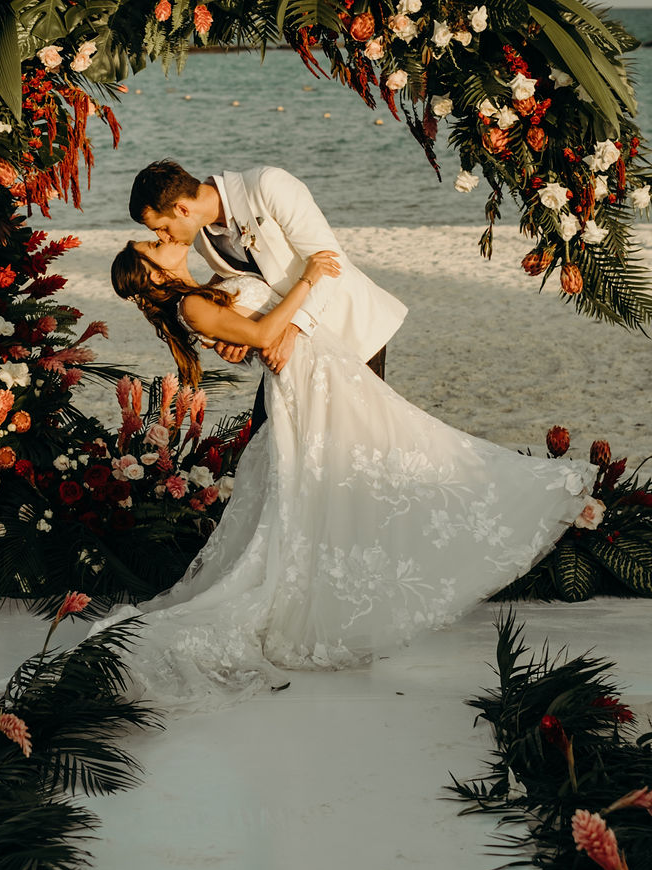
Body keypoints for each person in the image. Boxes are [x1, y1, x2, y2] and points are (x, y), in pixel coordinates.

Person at [98, 233, 594, 713]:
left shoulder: (203, 289)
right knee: (389, 455)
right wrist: (310, 278)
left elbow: (249, 326)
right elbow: (265, 334)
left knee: (394, 452)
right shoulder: (191, 306)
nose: (164, 236)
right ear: (155, 274)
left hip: (323, 372)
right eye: (155, 244)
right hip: (308, 382)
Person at [127, 161, 406, 433]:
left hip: (350, 328)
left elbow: (330, 260)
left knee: (362, 437)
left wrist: (293, 330)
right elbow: (250, 286)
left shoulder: (266, 186)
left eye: (161, 228)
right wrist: (236, 338)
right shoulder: (201, 240)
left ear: (182, 209)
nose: (164, 238)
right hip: (295, 355)